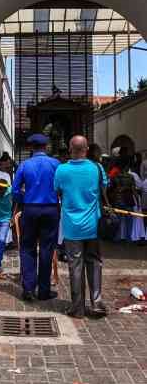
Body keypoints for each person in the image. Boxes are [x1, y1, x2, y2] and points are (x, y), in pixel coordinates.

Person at [54, 135, 108, 318]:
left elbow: (57, 191)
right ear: (87, 149)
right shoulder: (97, 168)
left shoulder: (61, 170)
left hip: (71, 227)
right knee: (94, 262)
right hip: (92, 225)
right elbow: (104, 188)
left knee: (75, 266)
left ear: (70, 149)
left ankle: (77, 308)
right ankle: (97, 302)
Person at [12, 133, 60, 301]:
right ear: (46, 147)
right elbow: (61, 186)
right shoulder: (55, 164)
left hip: (30, 209)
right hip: (51, 209)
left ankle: (28, 289)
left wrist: (24, 200)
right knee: (47, 248)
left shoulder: (24, 165)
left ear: (31, 147)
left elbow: (14, 190)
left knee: (27, 248)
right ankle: (44, 290)